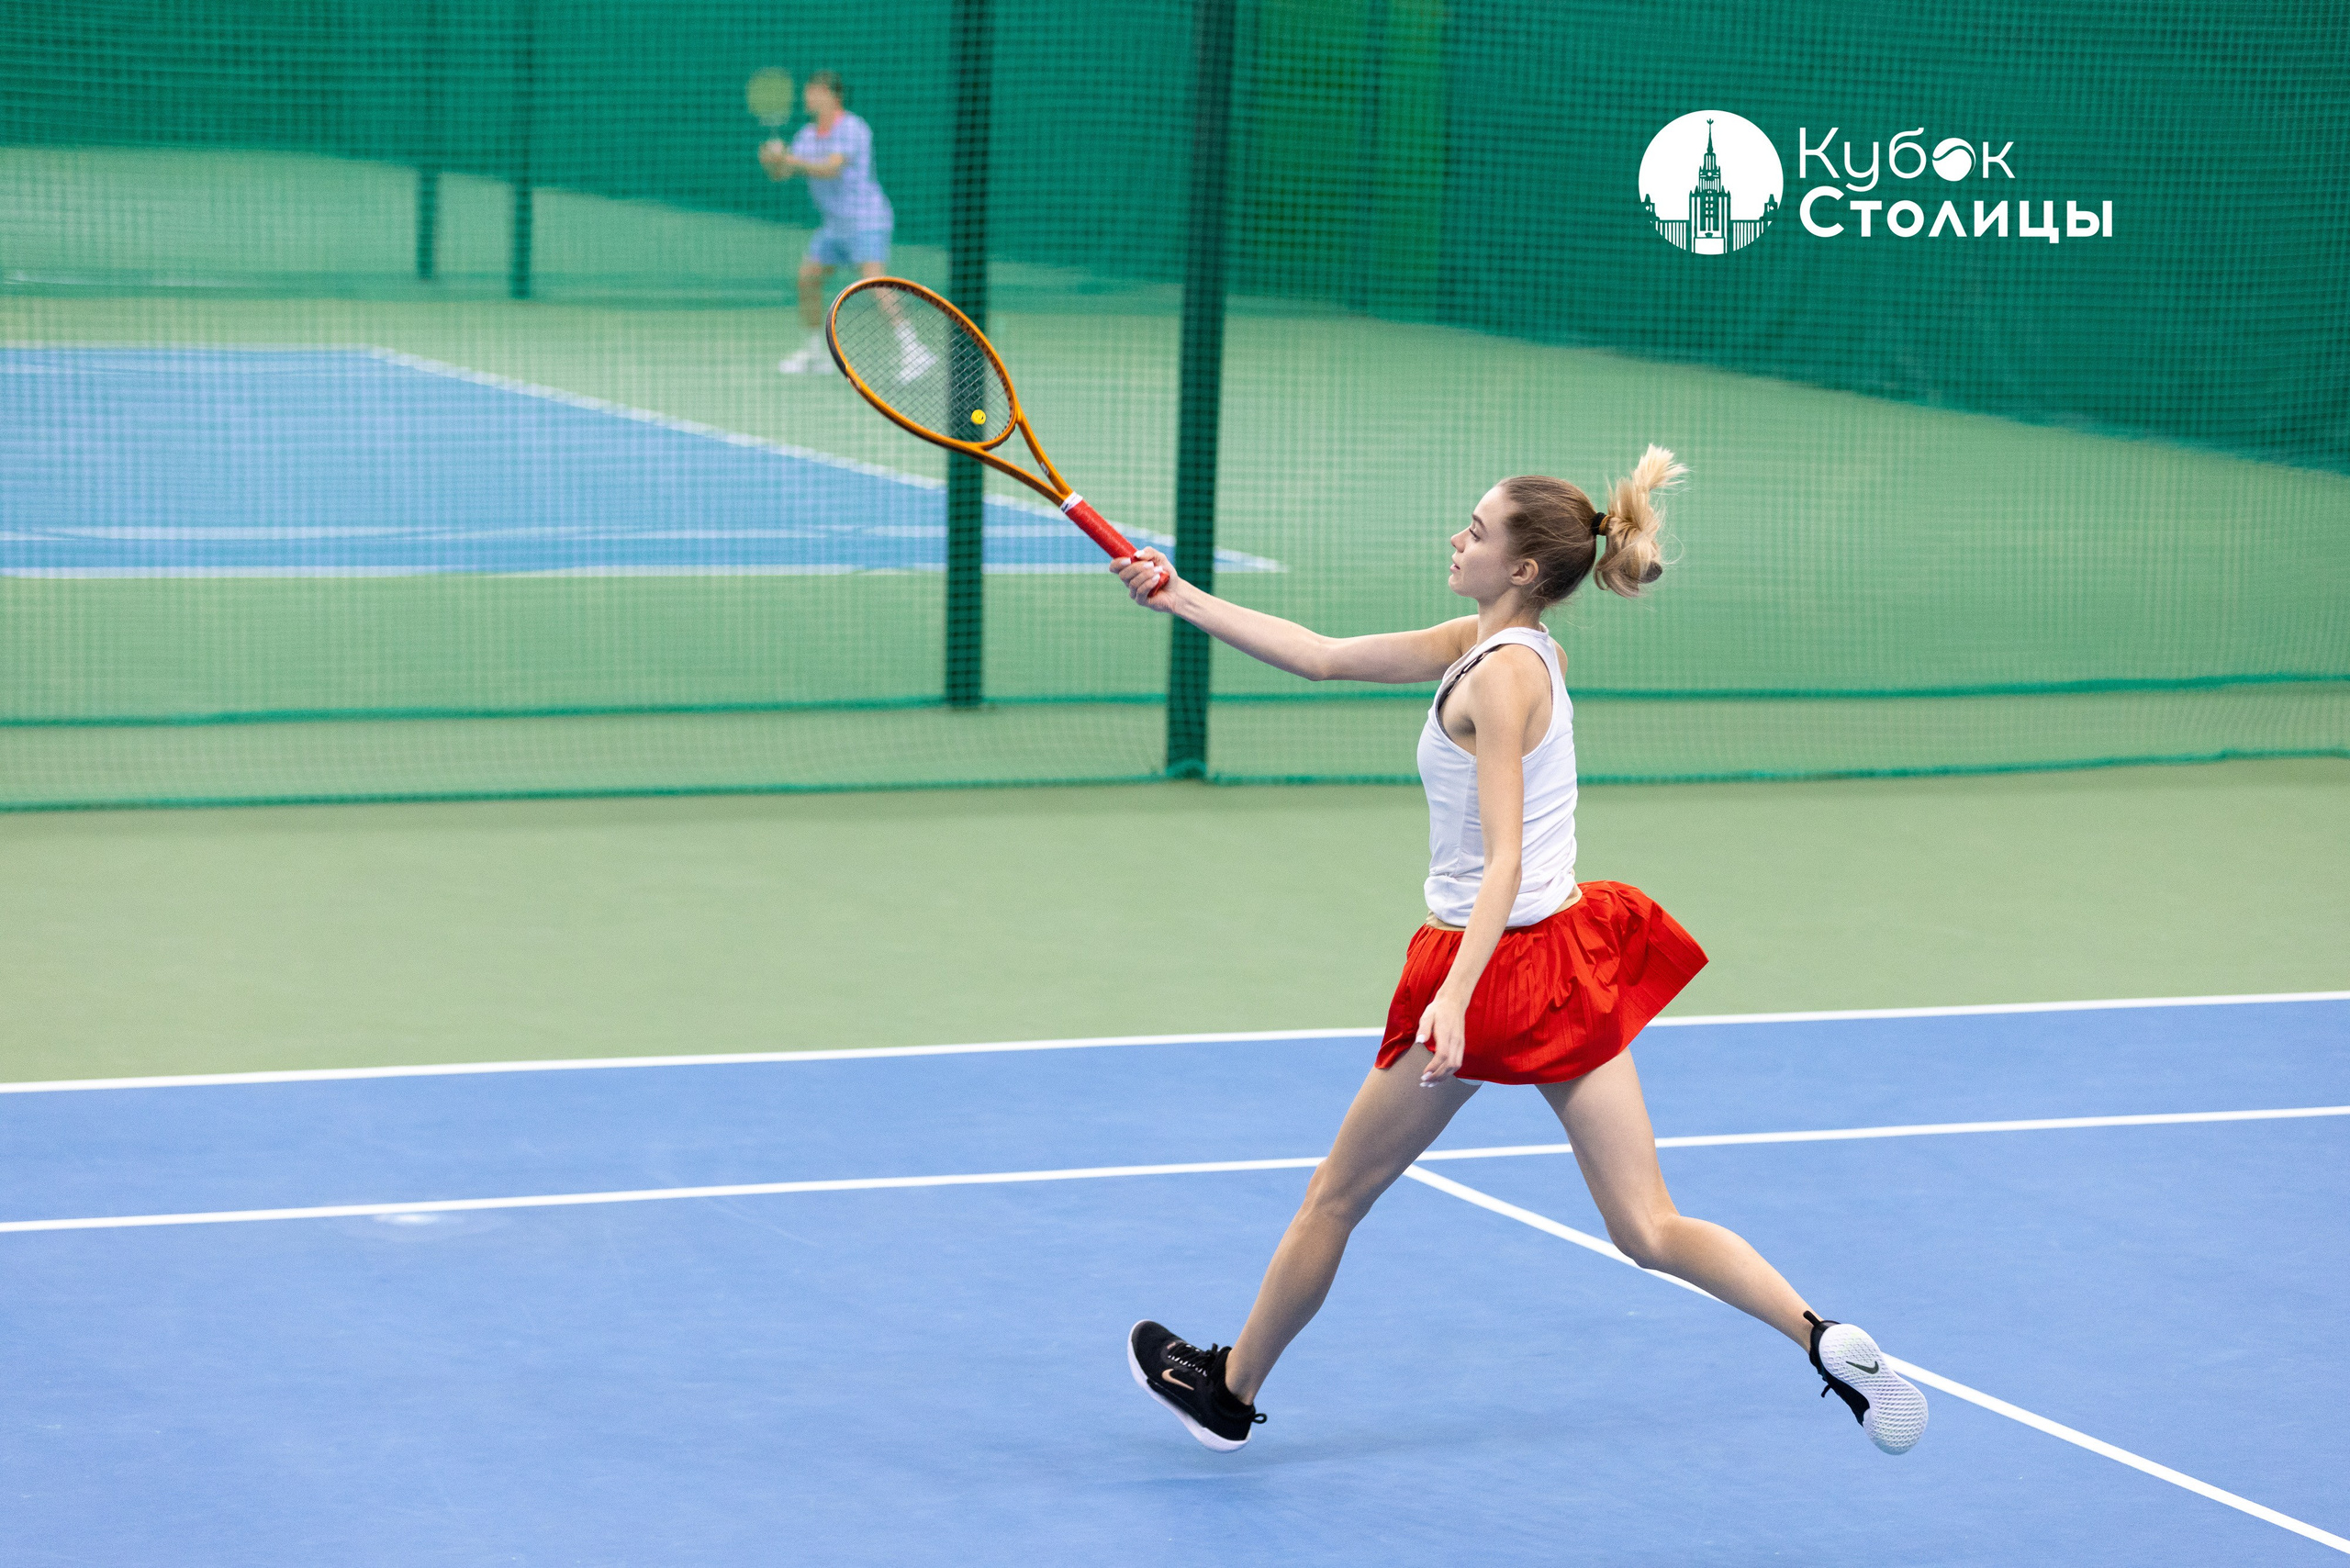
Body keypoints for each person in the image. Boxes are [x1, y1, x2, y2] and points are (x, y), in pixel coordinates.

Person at [1113, 448, 1928, 1458]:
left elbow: (1500, 860)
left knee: (1337, 1194)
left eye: (1476, 530)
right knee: (1648, 1226)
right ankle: (1820, 1334)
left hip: (1490, 969)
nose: (1456, 538)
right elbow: (1319, 653)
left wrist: (1454, 996)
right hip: (1571, 961)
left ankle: (1229, 1393)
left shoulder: (1496, 681)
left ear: (1524, 569)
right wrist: (1181, 595)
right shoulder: (1511, 647)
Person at [758, 71, 931, 381]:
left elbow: (831, 168)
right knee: (807, 279)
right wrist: (772, 161)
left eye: (814, 90)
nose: (807, 96)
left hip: (866, 218)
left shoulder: (853, 128)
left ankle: (914, 351)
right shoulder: (807, 136)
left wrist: (790, 160)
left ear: (831, 95)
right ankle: (815, 353)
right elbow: (782, 174)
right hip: (835, 226)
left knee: (874, 283)